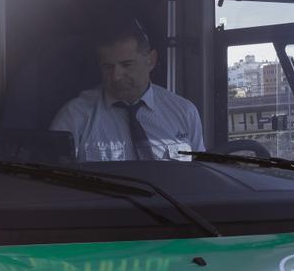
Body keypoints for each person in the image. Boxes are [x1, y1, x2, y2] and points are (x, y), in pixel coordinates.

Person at [50, 16, 205, 162]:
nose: (116, 76)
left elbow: (200, 176)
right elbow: (53, 182)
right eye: (108, 67)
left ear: (151, 60)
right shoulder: (75, 116)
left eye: (127, 65)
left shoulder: (184, 112)